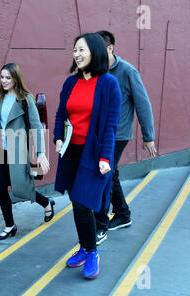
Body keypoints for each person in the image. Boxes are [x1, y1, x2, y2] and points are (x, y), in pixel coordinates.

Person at [53, 33, 122, 279]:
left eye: (82, 50)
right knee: (77, 203)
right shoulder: (70, 83)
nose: (77, 55)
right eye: (74, 50)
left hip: (93, 155)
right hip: (71, 152)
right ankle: (84, 247)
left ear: (95, 52)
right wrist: (58, 137)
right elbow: (61, 114)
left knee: (84, 203)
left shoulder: (108, 84)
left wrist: (106, 158)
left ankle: (92, 252)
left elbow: (110, 126)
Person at [0, 63, 55, 241]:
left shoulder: (25, 100)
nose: (4, 81)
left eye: (8, 77)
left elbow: (36, 127)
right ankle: (9, 225)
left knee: (22, 187)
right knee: (0, 188)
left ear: (16, 78)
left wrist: (41, 154)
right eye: (2, 77)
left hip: (17, 150)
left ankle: (46, 202)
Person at [94, 30, 157, 245]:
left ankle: (100, 223)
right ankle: (122, 214)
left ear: (110, 48)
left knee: (104, 172)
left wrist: (148, 136)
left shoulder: (128, 71)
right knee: (110, 172)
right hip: (98, 133)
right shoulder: (95, 71)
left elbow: (143, 104)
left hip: (118, 134)